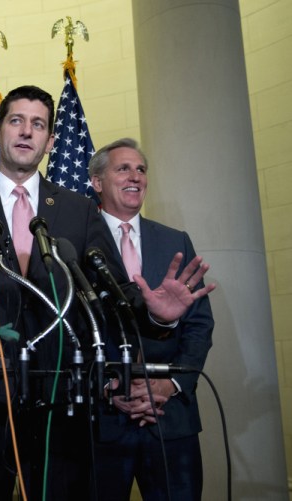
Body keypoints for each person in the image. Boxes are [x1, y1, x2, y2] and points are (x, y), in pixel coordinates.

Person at [0, 86, 215, 501]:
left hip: (63, 402)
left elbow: (114, 295)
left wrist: (161, 316)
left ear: (50, 142)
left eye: (38, 125)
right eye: (16, 121)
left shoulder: (78, 210)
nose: (26, 132)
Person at [89, 138, 214, 500]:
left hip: (171, 420)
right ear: (97, 182)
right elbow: (71, 332)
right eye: (123, 168)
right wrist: (109, 388)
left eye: (141, 169)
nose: (135, 176)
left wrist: (169, 385)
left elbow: (199, 325)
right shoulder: (75, 242)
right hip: (103, 421)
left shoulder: (175, 241)